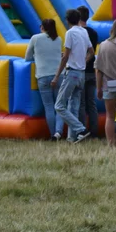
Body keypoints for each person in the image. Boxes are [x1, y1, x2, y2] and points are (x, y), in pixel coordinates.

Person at [51, 8, 92, 143]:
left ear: (67, 20)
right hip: (81, 74)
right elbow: (91, 52)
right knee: (73, 107)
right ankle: (72, 138)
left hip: (72, 72)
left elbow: (66, 56)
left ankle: (81, 129)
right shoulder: (84, 32)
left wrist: (57, 76)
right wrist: (82, 61)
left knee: (59, 105)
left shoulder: (70, 33)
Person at [25, 18, 63, 140]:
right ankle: (58, 132)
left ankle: (52, 134)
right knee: (60, 106)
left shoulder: (35, 38)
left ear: (42, 27)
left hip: (42, 75)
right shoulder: (59, 39)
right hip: (58, 75)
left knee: (49, 106)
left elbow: (27, 57)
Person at [77, 6, 99, 137]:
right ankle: (94, 131)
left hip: (81, 71)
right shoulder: (94, 33)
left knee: (81, 103)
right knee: (91, 103)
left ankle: (82, 130)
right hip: (92, 70)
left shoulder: (76, 33)